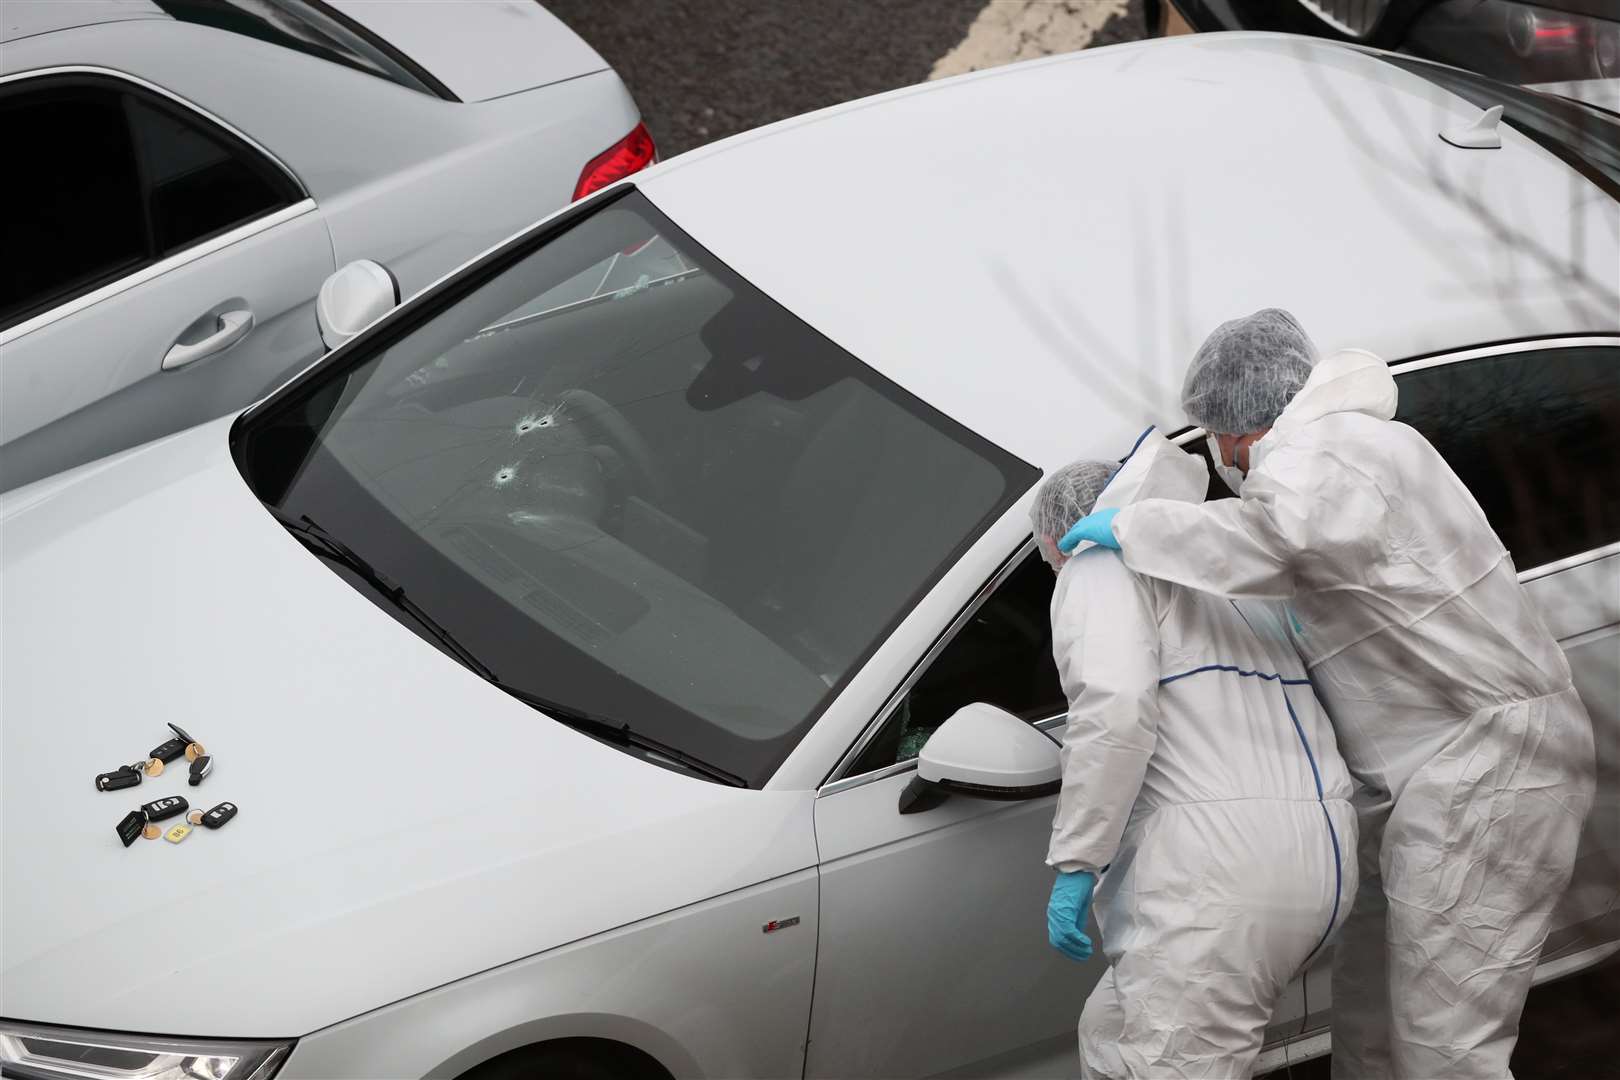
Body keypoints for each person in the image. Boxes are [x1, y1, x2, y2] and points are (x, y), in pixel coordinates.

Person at [1058, 310, 1596, 1079]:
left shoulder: (1327, 452)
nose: (1223, 459)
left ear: (1241, 423)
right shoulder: (1345, 452)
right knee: (1372, 1019)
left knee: (1447, 1047)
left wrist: (1141, 529)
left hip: (1490, 772)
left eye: (1218, 438)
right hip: (1434, 776)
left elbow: (1279, 544)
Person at [1034, 430, 1356, 1079]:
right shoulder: (1223, 575)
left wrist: (1076, 861)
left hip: (1214, 884)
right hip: (1322, 863)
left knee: (1173, 1063)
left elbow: (1114, 710)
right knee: (1113, 1031)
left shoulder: (1095, 566)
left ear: (1057, 539)